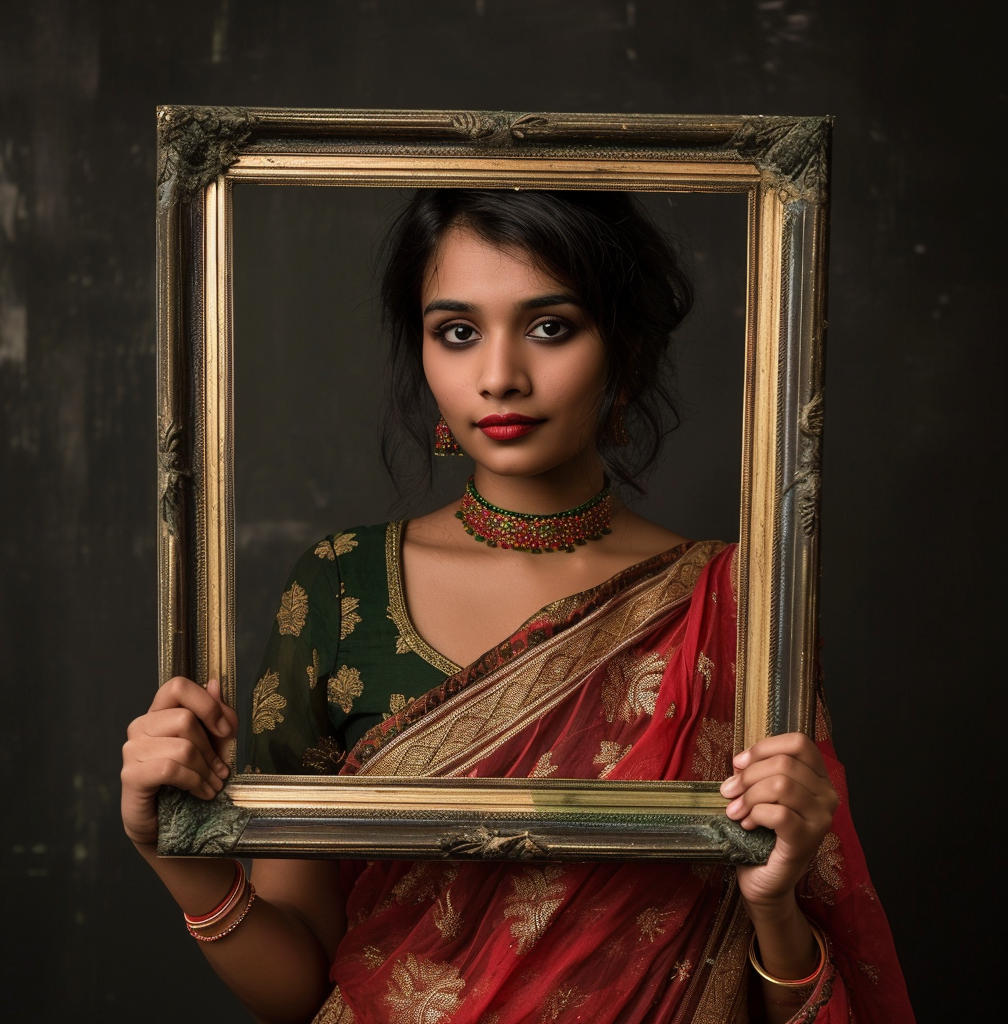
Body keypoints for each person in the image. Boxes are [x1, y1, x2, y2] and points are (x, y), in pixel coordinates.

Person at [121, 190, 914, 1024]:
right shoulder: (341, 588)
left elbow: (795, 992)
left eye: (550, 327)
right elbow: (302, 986)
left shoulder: (736, 604)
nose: (499, 375)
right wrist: (178, 856)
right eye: (457, 332)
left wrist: (775, 905)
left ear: (626, 351)